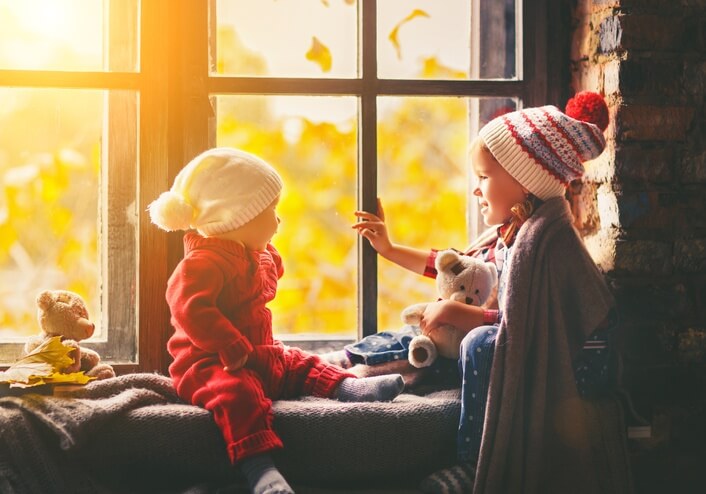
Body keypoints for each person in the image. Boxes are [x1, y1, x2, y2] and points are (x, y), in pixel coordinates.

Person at [352, 92, 617, 494]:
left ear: (523, 180)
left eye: (484, 177)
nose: (476, 190)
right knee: (433, 328)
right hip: (525, 336)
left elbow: (527, 324)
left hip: (579, 360)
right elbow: (455, 266)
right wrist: (388, 250)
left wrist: (461, 316)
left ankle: (471, 464)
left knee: (478, 344)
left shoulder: (546, 238)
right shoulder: (509, 232)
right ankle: (351, 366)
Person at [149, 147, 405, 494]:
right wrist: (230, 345)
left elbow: (266, 277)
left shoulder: (253, 252)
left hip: (260, 353)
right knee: (239, 397)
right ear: (235, 220)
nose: (278, 220)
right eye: (270, 211)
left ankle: (350, 388)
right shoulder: (203, 263)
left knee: (300, 363)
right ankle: (260, 470)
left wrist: (266, 260)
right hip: (212, 363)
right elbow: (188, 308)